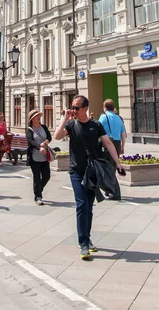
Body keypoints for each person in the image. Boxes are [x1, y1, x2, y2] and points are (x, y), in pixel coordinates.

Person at [54, 95, 124, 261]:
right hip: (76, 172)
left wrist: (118, 163)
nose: (74, 110)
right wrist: (64, 118)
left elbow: (108, 143)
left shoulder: (96, 125)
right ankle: (83, 243)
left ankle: (87, 237)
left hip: (92, 172)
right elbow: (57, 136)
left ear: (85, 108)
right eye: (73, 107)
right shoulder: (71, 125)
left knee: (89, 207)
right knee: (82, 204)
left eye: (77, 107)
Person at [98, 99, 126, 201]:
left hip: (107, 143)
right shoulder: (119, 118)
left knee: (105, 167)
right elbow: (123, 134)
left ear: (105, 107)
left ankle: (115, 192)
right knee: (112, 166)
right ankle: (108, 189)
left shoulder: (103, 117)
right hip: (117, 143)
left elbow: (98, 129)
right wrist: (123, 146)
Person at [26, 110, 52, 206]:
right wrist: (39, 147)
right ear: (32, 119)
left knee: (47, 176)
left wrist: (45, 143)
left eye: (39, 116)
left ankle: (38, 190)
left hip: (45, 157)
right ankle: (38, 197)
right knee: (36, 177)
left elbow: (49, 137)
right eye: (36, 116)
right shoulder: (29, 130)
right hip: (34, 158)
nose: (38, 118)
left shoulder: (44, 127)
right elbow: (30, 141)